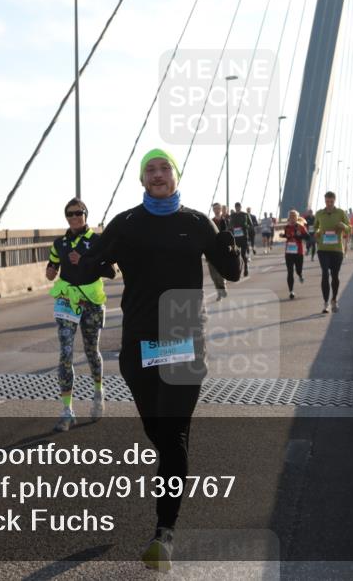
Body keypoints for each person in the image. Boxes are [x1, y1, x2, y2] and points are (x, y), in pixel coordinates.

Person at [72, 148, 242, 571]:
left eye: (164, 167)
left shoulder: (197, 222)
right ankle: (172, 475)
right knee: (158, 431)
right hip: (140, 340)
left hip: (184, 333)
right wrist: (93, 260)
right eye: (150, 169)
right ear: (142, 179)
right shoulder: (126, 223)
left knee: (174, 434)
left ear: (176, 175)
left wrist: (227, 242)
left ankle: (164, 532)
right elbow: (88, 268)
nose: (158, 174)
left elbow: (233, 271)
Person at [46, 198, 115, 432]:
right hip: (66, 300)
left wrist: (84, 260)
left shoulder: (97, 241)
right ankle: (67, 411)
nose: (74, 217)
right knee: (65, 353)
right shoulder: (59, 243)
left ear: (86, 214)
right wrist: (50, 270)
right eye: (69, 214)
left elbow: (110, 271)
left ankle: (98, 392)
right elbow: (51, 267)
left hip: (91, 302)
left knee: (90, 350)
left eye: (78, 213)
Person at [314, 192, 350, 314]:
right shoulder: (319, 213)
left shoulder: (340, 213)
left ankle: (334, 299)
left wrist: (343, 225)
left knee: (335, 275)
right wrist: (317, 232)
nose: (329, 204)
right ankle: (325, 304)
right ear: (325, 201)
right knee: (325, 273)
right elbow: (315, 228)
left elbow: (349, 228)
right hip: (323, 249)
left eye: (331, 201)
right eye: (327, 201)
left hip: (337, 250)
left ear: (334, 200)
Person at [280, 210, 308, 299]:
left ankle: (300, 275)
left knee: (298, 270)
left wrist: (300, 235)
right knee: (290, 271)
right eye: (291, 216)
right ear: (288, 218)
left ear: (297, 218)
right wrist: (282, 236)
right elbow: (287, 235)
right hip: (289, 252)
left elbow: (307, 237)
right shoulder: (286, 227)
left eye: (294, 216)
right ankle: (291, 291)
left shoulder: (301, 227)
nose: (292, 218)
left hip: (298, 252)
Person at [208, 204, 229, 300]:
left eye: (218, 208)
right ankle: (218, 291)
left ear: (221, 209)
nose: (216, 210)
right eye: (215, 208)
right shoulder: (210, 222)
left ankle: (222, 287)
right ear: (213, 210)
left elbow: (229, 235)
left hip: (222, 250)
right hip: (211, 250)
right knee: (213, 275)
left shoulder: (225, 221)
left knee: (220, 272)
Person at [229, 202, 253, 277]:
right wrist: (231, 228)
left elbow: (250, 224)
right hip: (235, 238)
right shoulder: (232, 215)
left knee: (243, 254)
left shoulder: (245, 215)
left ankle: (245, 267)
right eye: (236, 207)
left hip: (244, 237)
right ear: (235, 207)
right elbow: (230, 225)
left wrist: (246, 226)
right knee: (235, 255)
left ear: (240, 207)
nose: (237, 208)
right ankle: (237, 270)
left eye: (238, 207)